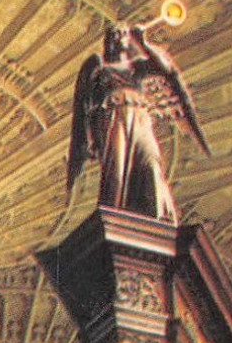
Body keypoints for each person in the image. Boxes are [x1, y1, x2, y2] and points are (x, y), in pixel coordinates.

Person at [67, 24, 209, 223]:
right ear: (106, 41)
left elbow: (167, 70)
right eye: (114, 35)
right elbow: (83, 104)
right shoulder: (98, 64)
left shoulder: (137, 67)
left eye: (122, 35)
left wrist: (143, 43)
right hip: (111, 119)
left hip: (139, 117)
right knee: (116, 170)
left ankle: (158, 215)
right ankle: (114, 219)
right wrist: (88, 137)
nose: (118, 38)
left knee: (150, 161)